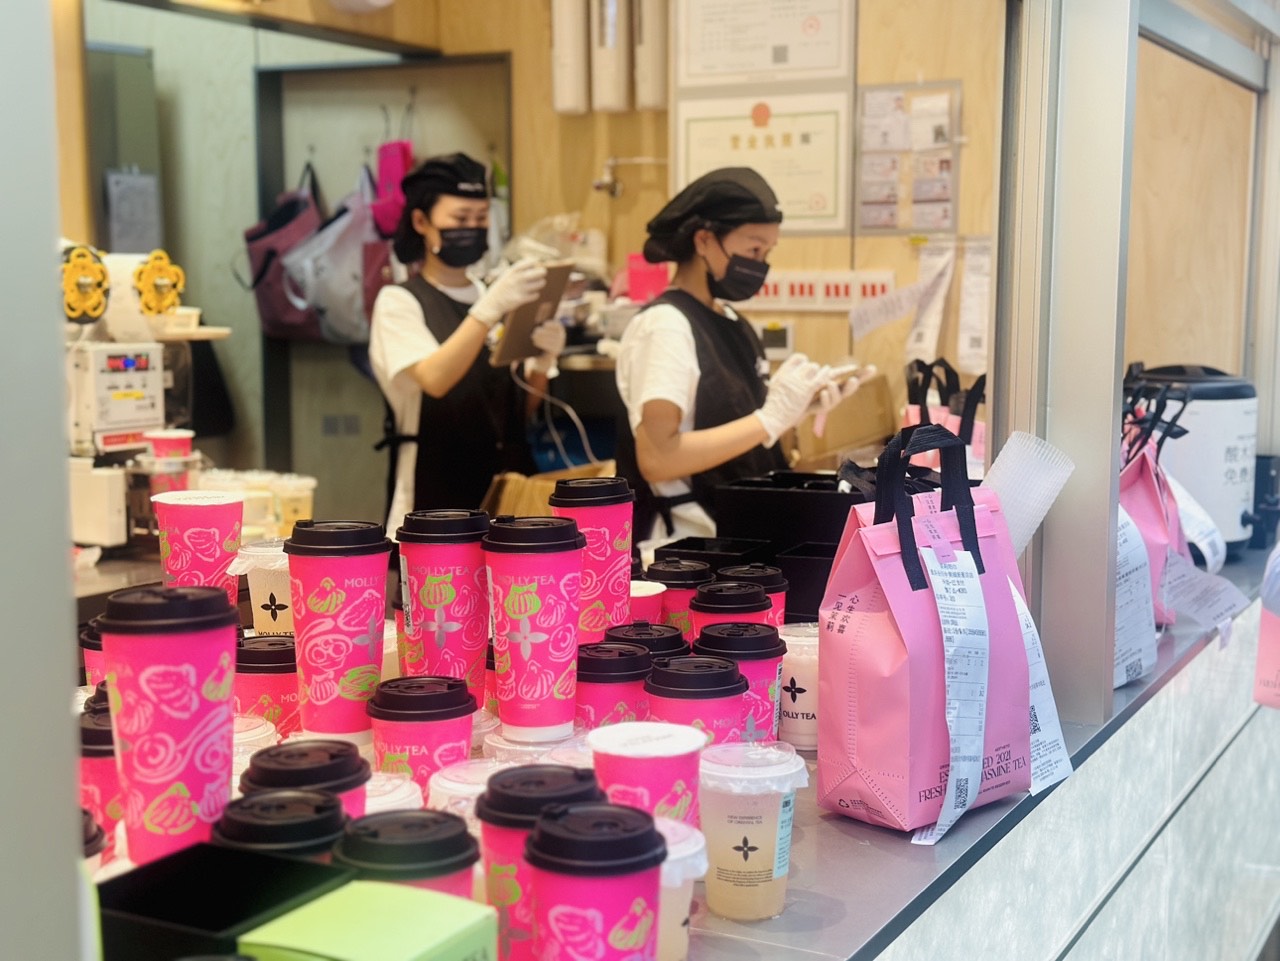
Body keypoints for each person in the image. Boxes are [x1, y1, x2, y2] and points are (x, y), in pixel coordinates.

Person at [615, 167, 866, 548]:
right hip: (688, 546)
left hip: (741, 531)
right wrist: (768, 419)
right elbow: (658, 458)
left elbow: (742, 434)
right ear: (703, 240)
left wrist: (797, 409)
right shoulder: (666, 326)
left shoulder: (733, 322)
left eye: (767, 252)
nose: (761, 263)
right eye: (753, 250)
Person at [370, 152, 566, 529]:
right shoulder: (400, 302)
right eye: (460, 219)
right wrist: (487, 311)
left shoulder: (492, 295)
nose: (472, 229)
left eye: (481, 218)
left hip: (506, 494)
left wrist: (542, 363)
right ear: (421, 222)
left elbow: (516, 411)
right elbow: (435, 379)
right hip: (435, 491)